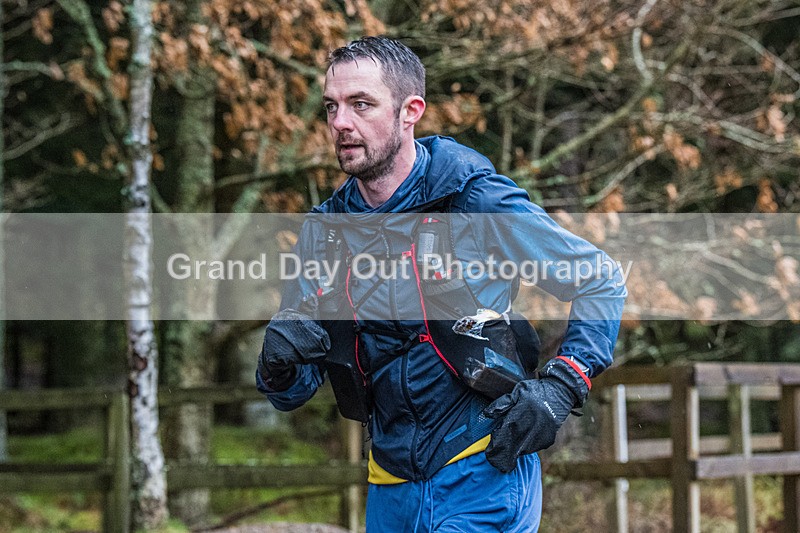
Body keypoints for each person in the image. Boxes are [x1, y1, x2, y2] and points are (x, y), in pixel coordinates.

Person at [256, 36, 626, 532]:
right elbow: (292, 391)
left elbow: (600, 280)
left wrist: (561, 387)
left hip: (483, 471)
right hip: (389, 488)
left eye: (361, 104)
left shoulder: (473, 201)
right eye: (332, 107)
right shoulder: (325, 234)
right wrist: (278, 359)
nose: (341, 123)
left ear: (411, 111)